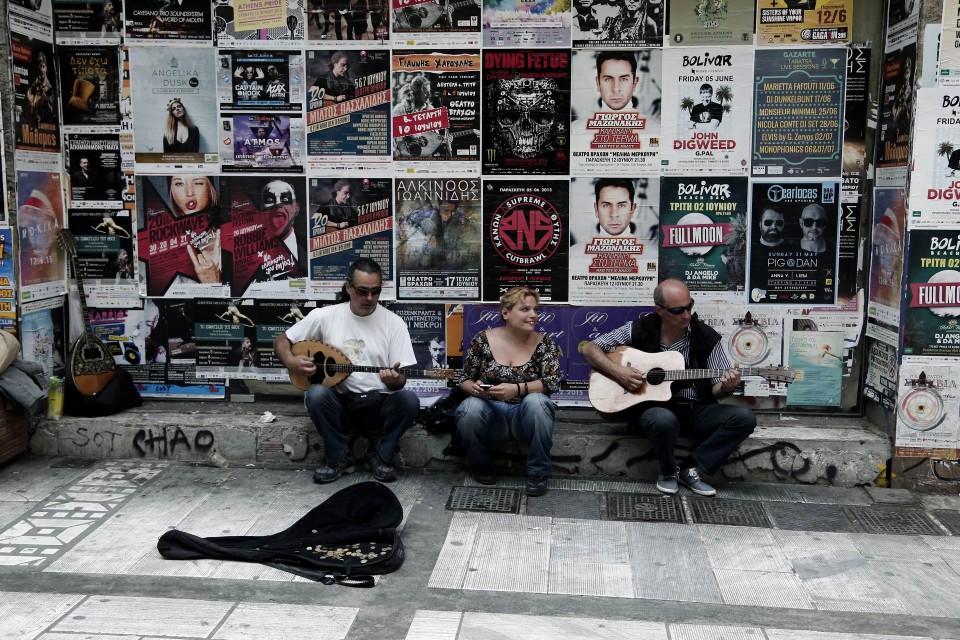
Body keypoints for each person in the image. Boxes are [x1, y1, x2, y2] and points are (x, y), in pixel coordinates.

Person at [578, 279, 756, 496]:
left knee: (744, 418)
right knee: (664, 419)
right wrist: (619, 372)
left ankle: (691, 468)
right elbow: (589, 349)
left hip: (694, 410)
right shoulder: (639, 328)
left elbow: (715, 390)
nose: (686, 315)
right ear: (659, 310)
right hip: (651, 413)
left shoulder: (706, 337)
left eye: (689, 306)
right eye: (678, 310)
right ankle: (668, 472)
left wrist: (727, 387)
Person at [274, 258, 420, 484]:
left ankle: (381, 456)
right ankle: (339, 458)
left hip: (378, 404)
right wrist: (291, 361)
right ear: (348, 288)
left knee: (409, 400)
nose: (369, 298)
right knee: (316, 394)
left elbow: (400, 380)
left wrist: (394, 381)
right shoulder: (324, 316)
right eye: (362, 291)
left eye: (375, 291)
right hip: (340, 403)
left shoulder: (394, 323)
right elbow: (282, 340)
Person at [455, 287, 562, 497]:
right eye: (525, 309)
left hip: (525, 416)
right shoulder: (482, 340)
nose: (533, 315)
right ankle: (480, 464)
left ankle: (538, 472)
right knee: (469, 408)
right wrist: (475, 389)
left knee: (538, 402)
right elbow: (464, 380)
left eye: (535, 309)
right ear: (506, 313)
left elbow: (553, 382)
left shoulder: (545, 343)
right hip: (491, 414)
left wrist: (517, 389)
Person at [168, 175, 222, 284]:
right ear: (171, 191)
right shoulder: (168, 248)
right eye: (179, 183)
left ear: (210, 188)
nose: (189, 193)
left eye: (198, 183)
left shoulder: (231, 231)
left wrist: (212, 281)